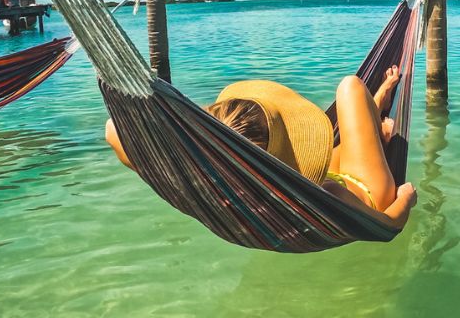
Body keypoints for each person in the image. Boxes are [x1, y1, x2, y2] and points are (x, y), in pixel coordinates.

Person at [105, 67, 418, 228]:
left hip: (313, 183)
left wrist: (181, 140)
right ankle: (379, 115)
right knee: (351, 86)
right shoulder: (328, 196)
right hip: (364, 192)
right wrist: (405, 198)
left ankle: (378, 124)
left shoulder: (200, 184)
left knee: (351, 139)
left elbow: (113, 131)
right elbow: (390, 224)